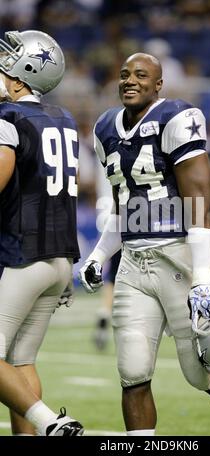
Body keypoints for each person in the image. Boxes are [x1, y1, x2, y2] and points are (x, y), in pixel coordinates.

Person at [79, 52, 210, 436]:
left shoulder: (177, 118)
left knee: (201, 373)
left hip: (177, 257)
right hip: (133, 263)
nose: (130, 80)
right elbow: (123, 208)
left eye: (142, 75)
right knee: (132, 371)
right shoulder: (105, 128)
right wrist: (99, 254)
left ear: (158, 84)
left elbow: (198, 201)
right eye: (125, 74)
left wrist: (202, 276)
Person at [0, 29, 83, 436]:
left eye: (8, 59)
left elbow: (1, 174)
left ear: (23, 72)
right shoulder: (64, 118)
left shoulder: (10, 118)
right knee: (20, 361)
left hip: (23, 255)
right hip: (60, 257)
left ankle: (51, 424)